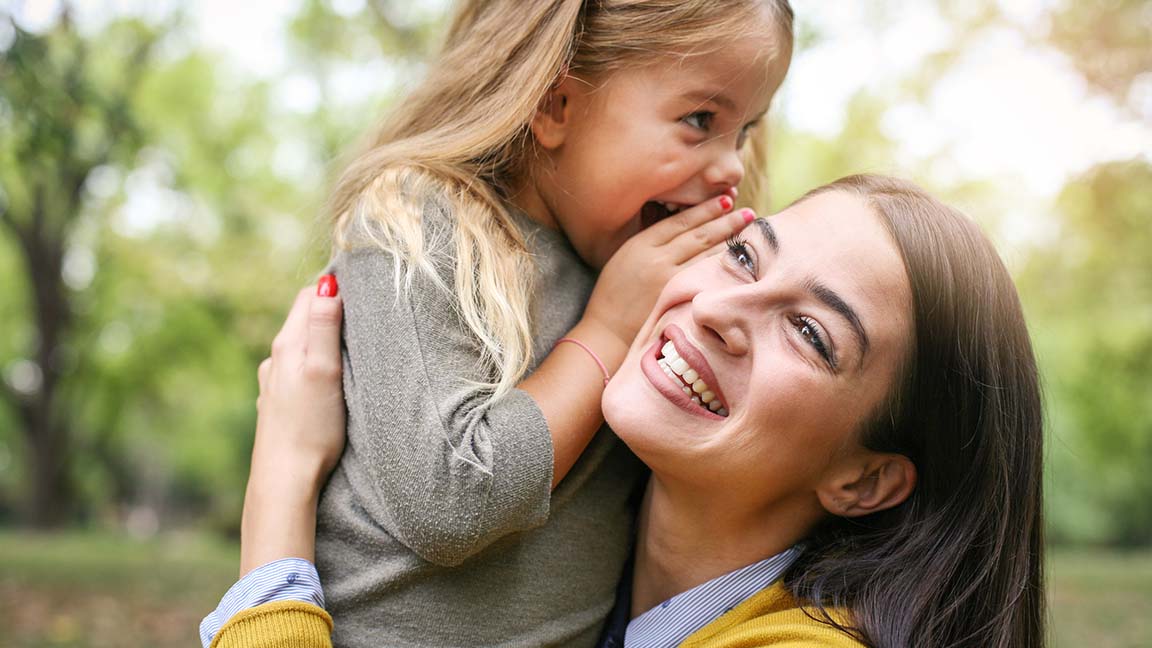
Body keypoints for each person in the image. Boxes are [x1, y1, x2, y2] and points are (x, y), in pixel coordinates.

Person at [208, 175, 1046, 648]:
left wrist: (279, 492)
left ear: (865, 480)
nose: (721, 308)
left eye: (808, 332)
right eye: (745, 254)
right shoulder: (598, 594)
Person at [200, 1, 795, 646]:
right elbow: (450, 500)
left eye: (743, 131)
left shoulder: (638, 275)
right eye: (700, 119)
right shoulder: (421, 220)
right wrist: (606, 332)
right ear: (555, 105)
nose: (734, 165)